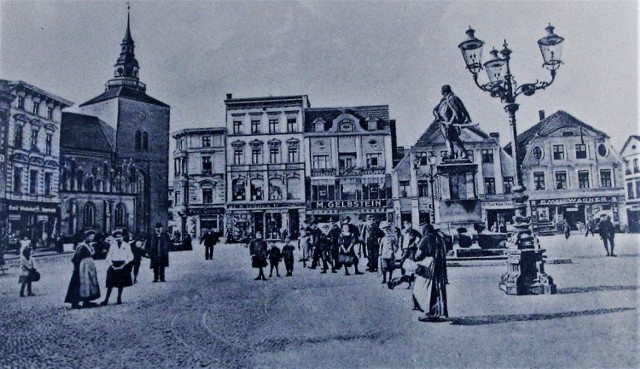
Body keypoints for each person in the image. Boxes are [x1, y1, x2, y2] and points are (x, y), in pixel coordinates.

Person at [414, 224, 449, 322]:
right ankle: (439, 313)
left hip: (430, 268)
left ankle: (430, 313)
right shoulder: (440, 239)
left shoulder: (426, 239)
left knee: (427, 290)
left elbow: (418, 255)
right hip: (440, 269)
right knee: (439, 290)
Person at [432, 85, 475, 160]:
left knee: (451, 138)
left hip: (450, 123)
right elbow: (435, 109)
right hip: (443, 122)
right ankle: (454, 153)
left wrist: (451, 121)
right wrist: (437, 117)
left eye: (442, 91)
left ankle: (457, 153)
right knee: (449, 138)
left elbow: (457, 111)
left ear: (444, 91)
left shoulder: (452, 99)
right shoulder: (443, 100)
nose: (441, 92)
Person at [64, 230, 101, 309]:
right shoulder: (82, 246)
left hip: (89, 267)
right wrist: (77, 268)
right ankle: (75, 303)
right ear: (86, 237)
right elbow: (75, 258)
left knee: (90, 283)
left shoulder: (90, 245)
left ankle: (87, 301)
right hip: (82, 267)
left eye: (93, 237)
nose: (91, 238)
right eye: (90, 237)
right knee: (80, 283)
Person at [101, 230, 134, 305]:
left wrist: (125, 264)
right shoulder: (112, 246)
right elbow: (108, 256)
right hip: (114, 264)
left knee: (121, 283)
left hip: (123, 264)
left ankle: (119, 297)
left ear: (123, 237)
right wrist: (111, 265)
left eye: (120, 237)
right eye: (116, 237)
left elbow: (131, 256)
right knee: (110, 283)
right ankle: (106, 299)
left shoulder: (127, 245)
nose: (118, 238)